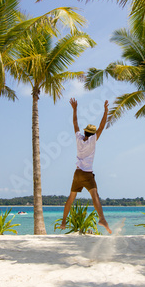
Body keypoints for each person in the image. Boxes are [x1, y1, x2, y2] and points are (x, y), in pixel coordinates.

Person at [59, 98, 112, 234]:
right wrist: (105, 111)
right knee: (95, 196)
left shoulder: (78, 139)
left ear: (85, 132)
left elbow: (75, 123)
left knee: (71, 198)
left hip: (77, 174)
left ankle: (64, 221)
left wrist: (75, 109)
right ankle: (102, 219)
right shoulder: (93, 141)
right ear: (92, 134)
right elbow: (101, 126)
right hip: (87, 174)